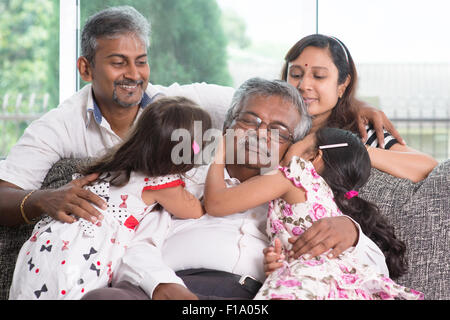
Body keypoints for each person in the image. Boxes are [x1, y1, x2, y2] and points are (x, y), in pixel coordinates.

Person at [1, 7, 403, 228]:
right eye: (118, 63)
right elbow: (4, 192)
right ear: (85, 69)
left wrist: (350, 105)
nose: (134, 74)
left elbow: (273, 108)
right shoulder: (59, 125)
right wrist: (41, 199)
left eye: (141, 62)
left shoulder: (181, 103)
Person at [81, 78, 390, 300]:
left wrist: (351, 233)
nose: (259, 134)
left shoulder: (303, 193)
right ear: (227, 126)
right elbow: (133, 241)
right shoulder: (181, 176)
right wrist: (161, 285)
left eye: (278, 130)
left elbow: (369, 271)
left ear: (291, 145)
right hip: (166, 286)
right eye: (250, 120)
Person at [9, 96, 210, 300]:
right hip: (86, 251)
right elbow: (196, 210)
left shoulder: (117, 164)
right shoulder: (161, 183)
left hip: (52, 239)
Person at [204, 123, 424, 299]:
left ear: (313, 156)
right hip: (345, 287)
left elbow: (216, 203)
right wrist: (278, 265)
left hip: (307, 283)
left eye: (299, 142)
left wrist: (219, 150)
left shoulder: (296, 172)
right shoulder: (328, 198)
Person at [280, 34, 438, 182]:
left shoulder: (360, 131)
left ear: (343, 85)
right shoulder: (272, 125)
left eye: (319, 76)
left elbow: (429, 169)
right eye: (295, 74)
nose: (304, 85)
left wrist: (349, 148)